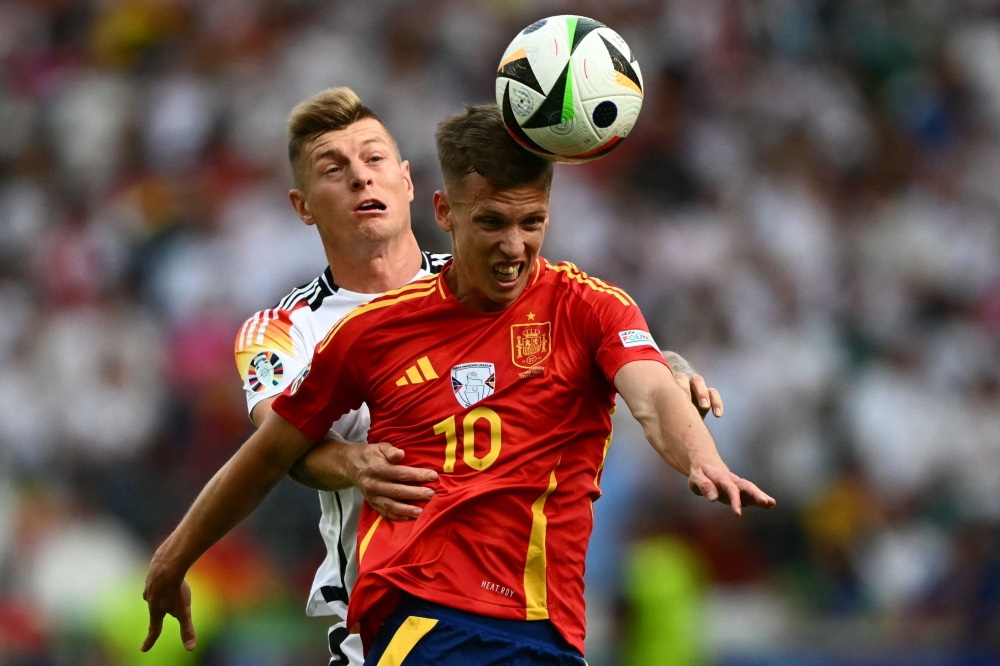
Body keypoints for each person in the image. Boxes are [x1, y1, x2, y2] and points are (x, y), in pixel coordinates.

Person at [142, 101, 771, 664]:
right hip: (398, 610)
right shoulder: (294, 329)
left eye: (374, 159)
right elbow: (278, 450)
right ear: (302, 205)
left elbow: (624, 360)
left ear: (410, 184)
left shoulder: (505, 276)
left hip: (543, 621)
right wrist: (352, 464)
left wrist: (672, 379)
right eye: (334, 168)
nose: (361, 177)